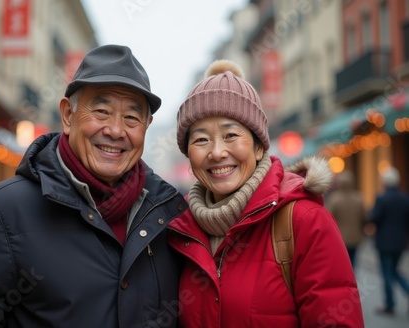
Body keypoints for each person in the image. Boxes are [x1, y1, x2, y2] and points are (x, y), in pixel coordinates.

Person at [0, 44, 188, 327]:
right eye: (101, 111)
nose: (115, 130)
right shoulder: (1, 212)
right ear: (67, 115)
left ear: (146, 126)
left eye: (131, 117)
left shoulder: (168, 216)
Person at [167, 59, 364, 327]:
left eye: (231, 135)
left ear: (259, 147)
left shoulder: (305, 221)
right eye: (201, 139)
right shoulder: (179, 229)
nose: (216, 152)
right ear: (188, 155)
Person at [370, 167, 409, 315]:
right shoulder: (405, 198)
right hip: (400, 242)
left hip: (384, 242)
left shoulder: (382, 198)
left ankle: (390, 304)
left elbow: (374, 218)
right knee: (393, 270)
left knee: (387, 272)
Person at [326, 170, 368, 269]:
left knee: (342, 263)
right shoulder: (358, 198)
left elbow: (328, 219)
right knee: (353, 261)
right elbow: (364, 217)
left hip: (339, 238)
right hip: (355, 237)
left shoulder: (334, 199)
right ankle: (353, 279)